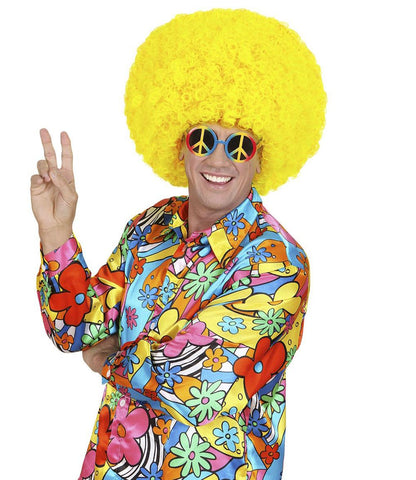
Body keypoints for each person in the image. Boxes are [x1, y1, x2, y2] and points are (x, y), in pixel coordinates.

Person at [31, 9, 326, 480]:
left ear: (261, 158)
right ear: (180, 143)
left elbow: (196, 378)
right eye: (204, 138)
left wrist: (108, 358)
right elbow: (76, 330)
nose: (219, 159)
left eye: (240, 145)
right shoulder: (149, 228)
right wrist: (56, 234)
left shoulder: (279, 264)